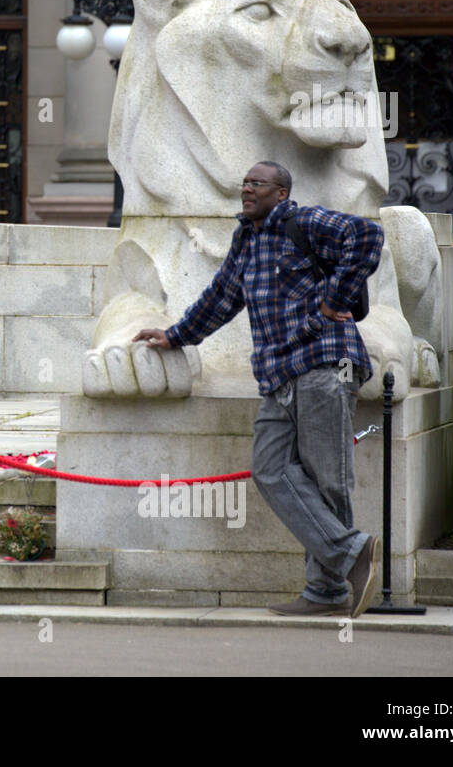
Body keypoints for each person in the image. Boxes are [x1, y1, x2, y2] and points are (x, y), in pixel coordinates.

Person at [132, 161, 384, 617]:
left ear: (282, 193)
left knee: (329, 480)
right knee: (269, 470)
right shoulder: (246, 240)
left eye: (257, 183)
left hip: (324, 365)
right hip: (276, 375)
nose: (247, 189)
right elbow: (221, 298)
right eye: (244, 182)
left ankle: (327, 591)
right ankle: (351, 555)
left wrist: (332, 302)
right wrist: (175, 335)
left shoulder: (302, 221)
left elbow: (366, 236)